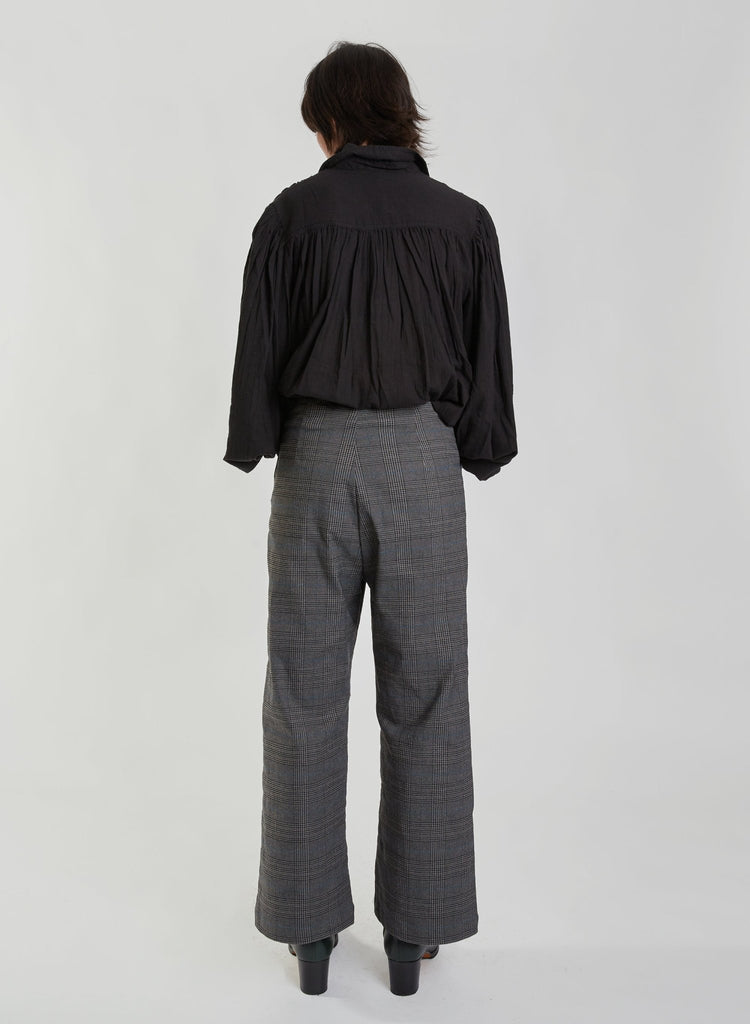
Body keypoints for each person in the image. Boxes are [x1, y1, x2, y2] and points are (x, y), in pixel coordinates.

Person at [222, 40, 518, 996]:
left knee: (303, 694)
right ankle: (414, 934)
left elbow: (259, 352)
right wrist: (475, 445)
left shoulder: (290, 215)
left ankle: (308, 932)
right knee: (428, 695)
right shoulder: (464, 221)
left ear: (328, 123)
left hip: (315, 461)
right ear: (400, 113)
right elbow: (488, 360)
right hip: (422, 464)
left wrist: (259, 438)